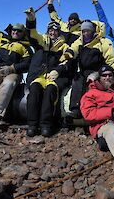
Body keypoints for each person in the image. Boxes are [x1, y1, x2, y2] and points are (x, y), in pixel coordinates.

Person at [25, 8, 72, 137]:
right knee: (34, 89)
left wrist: (58, 70)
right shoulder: (42, 40)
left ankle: (46, 124)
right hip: (39, 76)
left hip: (54, 77)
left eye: (55, 31)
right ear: (48, 31)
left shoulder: (63, 46)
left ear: (58, 32)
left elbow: (67, 62)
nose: (53, 33)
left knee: (51, 91)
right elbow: (32, 33)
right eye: (51, 30)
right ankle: (32, 125)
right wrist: (31, 19)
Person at [65, 20, 114, 119]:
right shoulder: (80, 41)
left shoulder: (103, 42)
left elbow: (111, 59)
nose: (85, 34)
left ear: (93, 31)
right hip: (83, 71)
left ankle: (96, 111)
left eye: (88, 31)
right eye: (83, 31)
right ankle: (75, 109)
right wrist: (70, 52)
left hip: (98, 71)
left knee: (92, 82)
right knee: (77, 80)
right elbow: (74, 48)